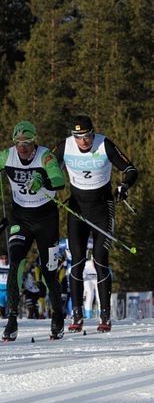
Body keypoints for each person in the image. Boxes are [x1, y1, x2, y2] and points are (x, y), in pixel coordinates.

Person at [0, 121, 66, 341]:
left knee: (49, 272)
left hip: (46, 218)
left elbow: (59, 180)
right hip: (21, 218)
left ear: (34, 141)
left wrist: (42, 180)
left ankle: (58, 316)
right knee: (15, 262)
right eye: (18, 142)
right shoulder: (6, 156)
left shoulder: (45, 156)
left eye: (27, 142)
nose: (23, 147)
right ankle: (11, 320)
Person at [54, 115, 137, 333]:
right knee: (77, 260)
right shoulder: (65, 146)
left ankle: (105, 316)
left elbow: (130, 169)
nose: (84, 141)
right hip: (77, 210)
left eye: (88, 135)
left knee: (100, 259)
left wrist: (124, 187)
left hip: (102, 208)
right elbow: (49, 168)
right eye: (79, 137)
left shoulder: (104, 144)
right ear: (73, 136)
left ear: (93, 133)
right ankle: (77, 314)